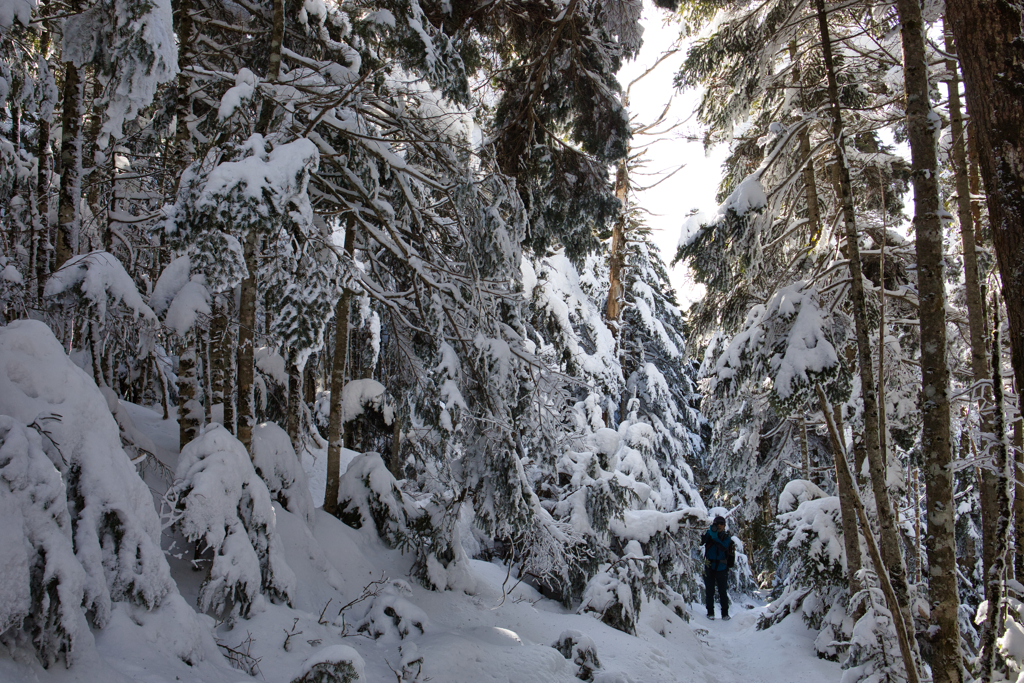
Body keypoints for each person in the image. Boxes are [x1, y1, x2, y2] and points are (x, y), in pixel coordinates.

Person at [701, 515, 733, 620]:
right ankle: (710, 613)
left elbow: (724, 547)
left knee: (722, 591)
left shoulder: (726, 537)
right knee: (709, 591)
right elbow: (701, 541)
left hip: (721, 567)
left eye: (721, 524)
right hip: (709, 565)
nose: (719, 526)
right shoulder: (710, 534)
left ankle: (725, 614)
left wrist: (715, 537)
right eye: (717, 524)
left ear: (724, 526)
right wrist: (708, 534)